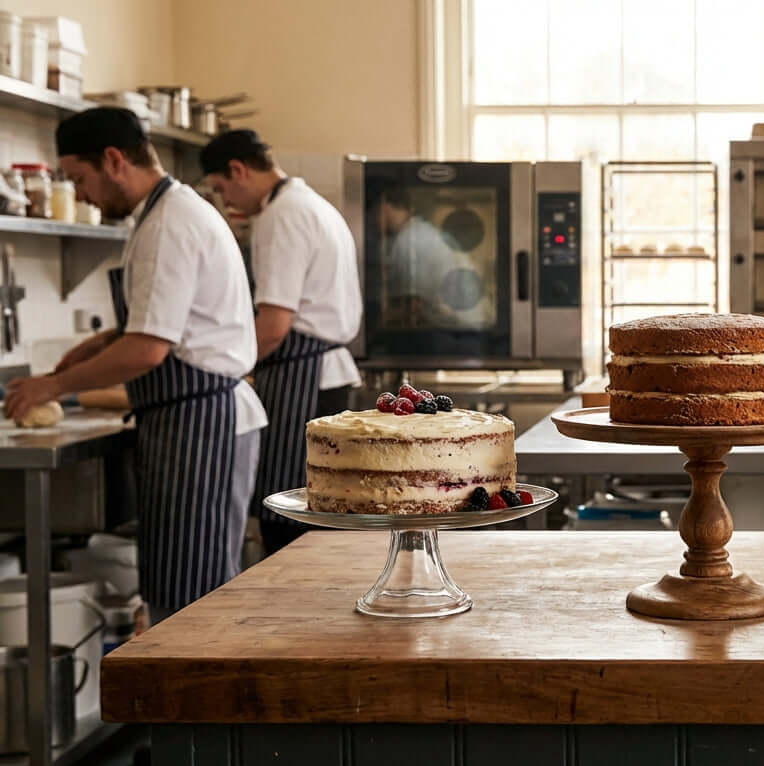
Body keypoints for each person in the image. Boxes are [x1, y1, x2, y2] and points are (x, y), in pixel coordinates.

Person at [4, 107, 266, 621]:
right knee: (185, 591)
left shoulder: (169, 223)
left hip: (202, 425)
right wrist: (100, 343)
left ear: (113, 159)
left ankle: (192, 702)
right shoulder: (165, 213)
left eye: (80, 179)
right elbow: (164, 319)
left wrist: (51, 386)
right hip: (190, 422)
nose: (80, 194)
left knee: (194, 601)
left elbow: (149, 349)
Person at [200, 129, 363, 555]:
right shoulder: (313, 206)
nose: (225, 202)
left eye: (221, 189)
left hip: (303, 379)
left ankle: (297, 614)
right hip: (326, 374)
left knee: (292, 514)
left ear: (238, 171)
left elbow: (273, 324)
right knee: (327, 506)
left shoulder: (281, 215)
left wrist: (224, 370)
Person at [374, 182, 493, 330]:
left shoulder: (410, 241)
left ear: (384, 206)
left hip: (456, 331)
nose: (374, 220)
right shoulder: (419, 232)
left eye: (373, 212)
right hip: (464, 325)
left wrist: (377, 323)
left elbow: (415, 305)